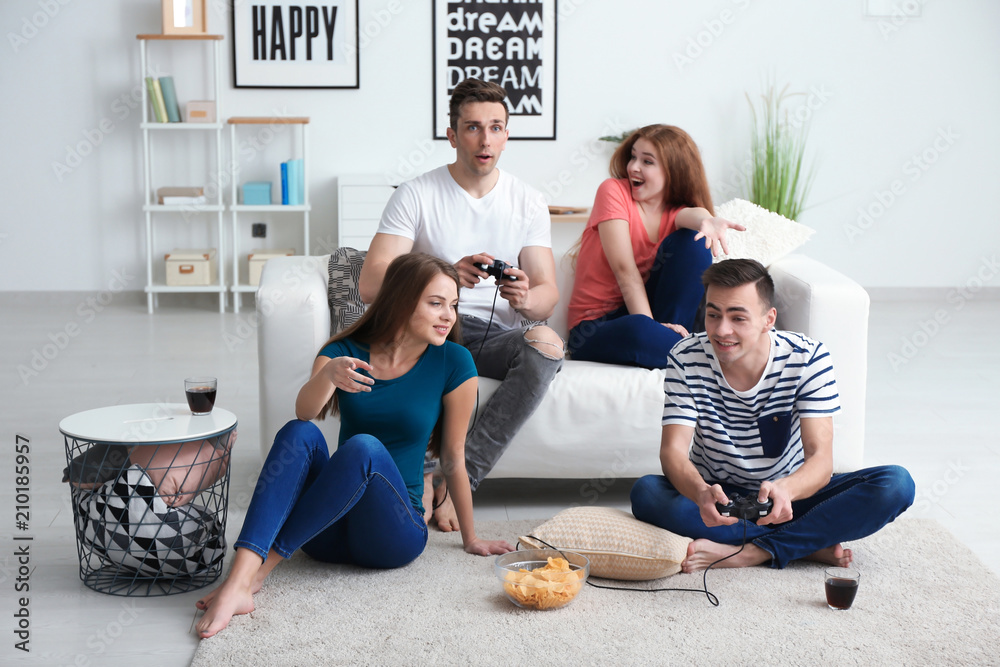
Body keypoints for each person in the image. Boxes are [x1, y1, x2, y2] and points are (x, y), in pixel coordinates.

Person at [195, 253, 514, 638]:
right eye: (436, 303)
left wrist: (472, 537)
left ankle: (252, 578)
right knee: (299, 432)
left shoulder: (455, 361)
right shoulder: (345, 351)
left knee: (364, 448)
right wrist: (328, 373)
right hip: (324, 533)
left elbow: (453, 457)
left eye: (453, 305)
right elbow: (305, 410)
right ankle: (240, 578)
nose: (449, 315)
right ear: (400, 299)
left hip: (394, 534)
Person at [359, 78, 563, 532]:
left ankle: (458, 480)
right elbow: (371, 283)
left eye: (495, 127)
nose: (485, 139)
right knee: (437, 331)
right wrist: (445, 276)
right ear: (452, 135)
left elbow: (549, 292)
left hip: (498, 335)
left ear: (507, 134)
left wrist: (526, 297)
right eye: (472, 127)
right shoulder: (415, 194)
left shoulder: (528, 201)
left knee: (548, 342)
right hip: (434, 328)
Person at [630, 258, 914, 572]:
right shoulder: (685, 356)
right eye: (713, 315)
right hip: (718, 494)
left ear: (769, 319)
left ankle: (754, 551)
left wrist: (786, 490)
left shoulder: (808, 357)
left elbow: (821, 459)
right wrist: (700, 493)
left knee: (896, 484)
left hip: (789, 495)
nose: (722, 330)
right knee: (646, 493)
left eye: (738, 318)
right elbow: (672, 451)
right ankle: (802, 544)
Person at [566, 124, 745, 369]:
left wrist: (708, 221)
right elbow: (625, 272)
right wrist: (651, 328)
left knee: (694, 242)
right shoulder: (614, 191)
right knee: (639, 330)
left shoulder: (675, 213)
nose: (633, 167)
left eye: (647, 161)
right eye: (633, 157)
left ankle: (675, 343)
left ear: (673, 171)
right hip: (595, 326)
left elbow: (694, 215)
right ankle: (696, 352)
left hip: (661, 321)